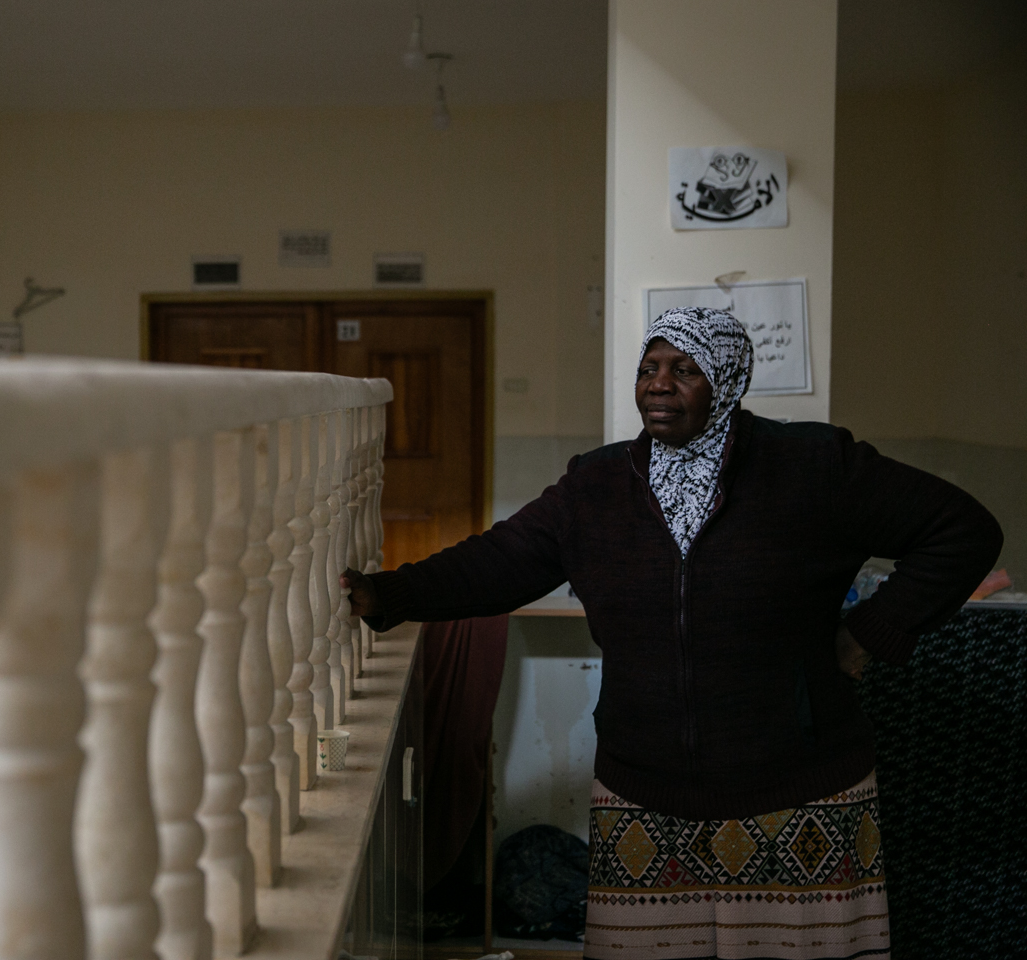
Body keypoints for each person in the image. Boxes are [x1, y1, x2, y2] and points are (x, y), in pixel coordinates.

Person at [342, 306, 1002, 960]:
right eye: (649, 368)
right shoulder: (597, 485)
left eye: (684, 369)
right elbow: (498, 562)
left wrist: (870, 631)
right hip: (646, 795)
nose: (659, 384)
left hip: (799, 791)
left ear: (727, 380)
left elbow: (961, 531)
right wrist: (388, 593)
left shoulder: (810, 466)